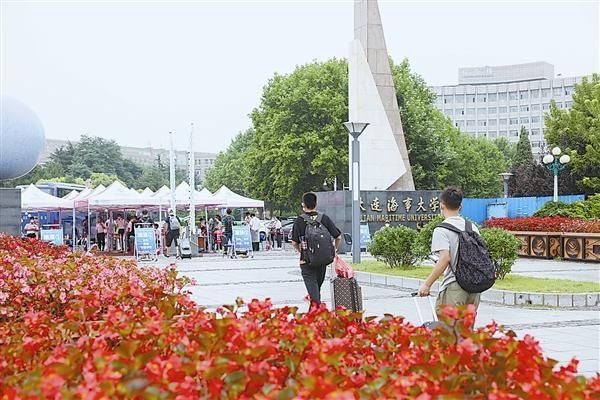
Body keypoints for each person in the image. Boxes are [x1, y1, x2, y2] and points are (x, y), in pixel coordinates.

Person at [417, 187, 481, 318]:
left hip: (454, 287)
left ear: (441, 205)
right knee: (467, 333)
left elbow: (445, 258)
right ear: (460, 206)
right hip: (474, 288)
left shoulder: (441, 230)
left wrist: (427, 284)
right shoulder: (472, 227)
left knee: (450, 333)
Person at [291, 192, 342, 310]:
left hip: (307, 263)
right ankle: (313, 321)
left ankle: (318, 318)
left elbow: (294, 242)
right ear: (316, 204)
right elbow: (338, 236)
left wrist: (303, 252)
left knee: (315, 298)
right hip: (322, 261)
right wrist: (334, 250)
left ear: (303, 204)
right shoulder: (324, 218)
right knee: (316, 294)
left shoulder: (299, 221)